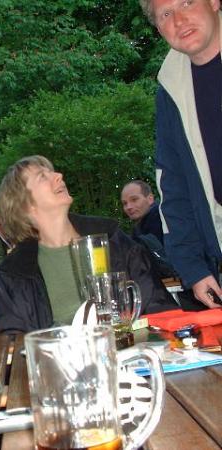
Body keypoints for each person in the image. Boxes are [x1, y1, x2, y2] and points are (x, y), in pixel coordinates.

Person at [0, 155, 178, 334]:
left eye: (52, 171)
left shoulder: (114, 241)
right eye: (42, 176)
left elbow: (159, 308)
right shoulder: (12, 275)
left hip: (129, 352)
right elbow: (12, 343)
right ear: (24, 205)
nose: (58, 176)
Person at [139, 0, 222, 308]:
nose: (179, 19)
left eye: (187, 2)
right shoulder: (170, 91)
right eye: (165, 14)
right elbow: (173, 186)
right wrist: (193, 268)